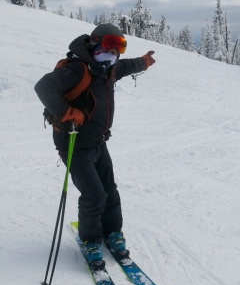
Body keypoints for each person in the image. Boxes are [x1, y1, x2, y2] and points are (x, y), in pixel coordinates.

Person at [35, 23, 156, 262]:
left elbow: (127, 65)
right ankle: (90, 240)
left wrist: (144, 61)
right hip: (74, 143)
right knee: (94, 195)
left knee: (109, 191)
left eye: (118, 48)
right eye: (109, 46)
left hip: (99, 141)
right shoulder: (78, 69)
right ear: (94, 43)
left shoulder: (108, 69)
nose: (113, 54)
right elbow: (44, 86)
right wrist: (67, 111)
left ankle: (112, 232)